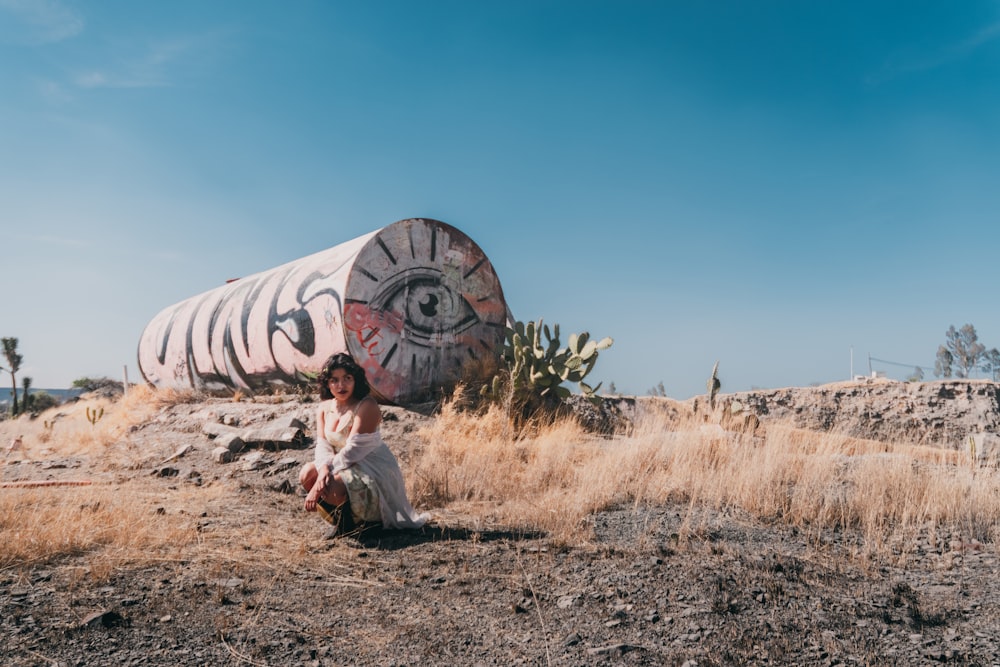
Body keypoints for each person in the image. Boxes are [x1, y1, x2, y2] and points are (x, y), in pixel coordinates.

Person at [298, 353, 430, 536]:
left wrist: (324, 475)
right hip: (340, 466)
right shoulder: (324, 408)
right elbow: (322, 446)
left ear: (356, 380)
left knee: (331, 487)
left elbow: (352, 451)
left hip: (370, 469)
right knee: (307, 474)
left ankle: (366, 522)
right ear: (327, 383)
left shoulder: (367, 406)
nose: (341, 385)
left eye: (347, 378)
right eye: (334, 380)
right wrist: (322, 472)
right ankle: (343, 522)